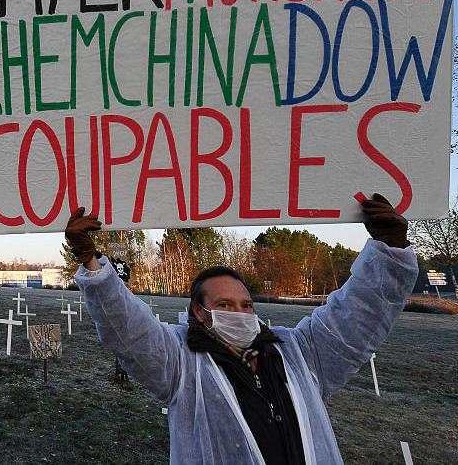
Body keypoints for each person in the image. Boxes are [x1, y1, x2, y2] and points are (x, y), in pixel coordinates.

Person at [66, 194, 417, 465]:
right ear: (199, 314)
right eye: (225, 306)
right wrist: (92, 264)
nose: (240, 313)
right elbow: (129, 332)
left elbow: (356, 317)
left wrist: (390, 250)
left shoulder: (299, 352)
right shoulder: (179, 364)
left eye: (246, 305)